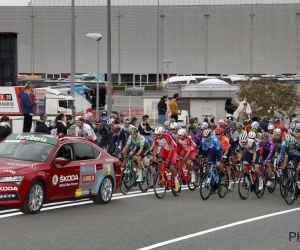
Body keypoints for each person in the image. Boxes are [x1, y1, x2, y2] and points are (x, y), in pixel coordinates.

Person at [151, 126, 179, 191]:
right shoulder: (156, 138)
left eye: (159, 134)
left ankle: (176, 180)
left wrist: (168, 158)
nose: (157, 136)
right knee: (159, 161)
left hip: (173, 150)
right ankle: (161, 175)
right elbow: (155, 148)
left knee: (171, 166)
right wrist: (153, 158)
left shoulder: (167, 136)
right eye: (156, 134)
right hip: (165, 150)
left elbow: (171, 148)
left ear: (162, 133)